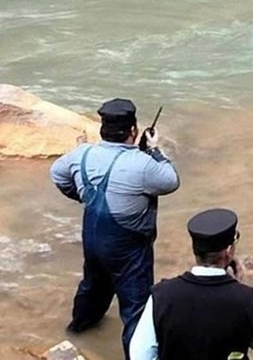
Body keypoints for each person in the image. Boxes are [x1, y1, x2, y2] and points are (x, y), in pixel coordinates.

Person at [50, 98, 180, 357]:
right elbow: (171, 181)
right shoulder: (143, 164)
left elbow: (57, 174)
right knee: (135, 308)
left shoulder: (82, 153)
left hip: (93, 238)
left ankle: (78, 331)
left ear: (102, 130)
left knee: (93, 285)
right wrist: (154, 150)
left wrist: (82, 197)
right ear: (133, 131)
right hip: (129, 247)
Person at [128, 208, 253, 360]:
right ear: (228, 251)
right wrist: (240, 287)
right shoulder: (248, 299)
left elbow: (139, 354)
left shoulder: (162, 295)